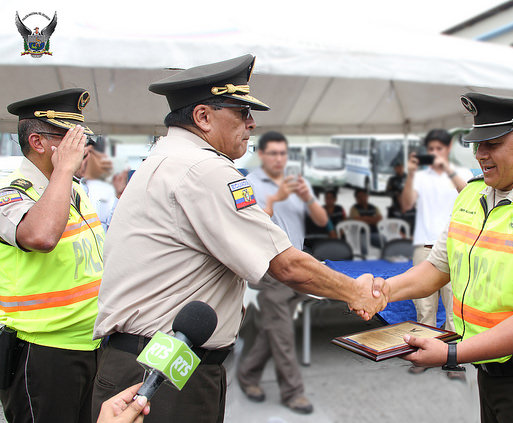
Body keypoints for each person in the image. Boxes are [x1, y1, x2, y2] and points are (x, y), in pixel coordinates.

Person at [91, 55, 385, 423]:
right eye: (242, 111)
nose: (252, 123)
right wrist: (356, 291)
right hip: (157, 374)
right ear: (203, 117)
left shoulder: (167, 158)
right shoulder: (204, 168)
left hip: (150, 362)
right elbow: (286, 265)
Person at [371, 92, 513, 423]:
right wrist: (384, 291)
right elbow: (437, 268)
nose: (480, 155)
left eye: (491, 143)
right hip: (493, 369)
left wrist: (451, 353)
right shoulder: (472, 194)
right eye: (477, 144)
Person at [0, 89, 103, 423]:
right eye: (68, 136)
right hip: (42, 352)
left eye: (81, 135)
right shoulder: (11, 193)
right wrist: (62, 172)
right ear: (38, 142)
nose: (81, 145)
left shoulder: (74, 191)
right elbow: (40, 236)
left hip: (89, 345)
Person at [237, 131, 328, 414]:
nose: (279, 159)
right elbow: (244, 224)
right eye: (273, 153)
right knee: (283, 332)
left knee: (272, 328)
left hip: (298, 265)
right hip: (271, 268)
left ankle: (248, 374)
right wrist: (274, 200)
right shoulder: (247, 184)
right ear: (261, 155)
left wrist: (307, 198)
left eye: (283, 153)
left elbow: (322, 220)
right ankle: (293, 392)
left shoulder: (296, 182)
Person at [399, 129, 473, 374]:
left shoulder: (462, 173)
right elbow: (406, 204)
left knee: (454, 307)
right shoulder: (420, 176)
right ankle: (424, 356)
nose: (434, 154)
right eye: (430, 150)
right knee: (424, 307)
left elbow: (470, 197)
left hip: (455, 247)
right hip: (424, 247)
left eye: (439, 149)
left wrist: (448, 170)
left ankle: (452, 358)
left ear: (448, 148)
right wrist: (410, 173)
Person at [385, 158, 416, 233]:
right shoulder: (392, 179)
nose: (399, 168)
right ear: (395, 168)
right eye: (397, 167)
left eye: (400, 166)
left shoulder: (407, 178)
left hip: (409, 207)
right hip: (396, 206)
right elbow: (387, 192)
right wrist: (396, 193)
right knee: (395, 227)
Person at [349, 188, 383, 253]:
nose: (361, 198)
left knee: (384, 241)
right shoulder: (354, 208)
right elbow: (357, 220)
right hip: (360, 234)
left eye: (363, 196)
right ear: (356, 199)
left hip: (373, 233)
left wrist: (364, 218)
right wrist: (373, 220)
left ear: (367, 196)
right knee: (364, 248)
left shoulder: (374, 207)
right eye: (359, 197)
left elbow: (379, 220)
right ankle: (364, 261)